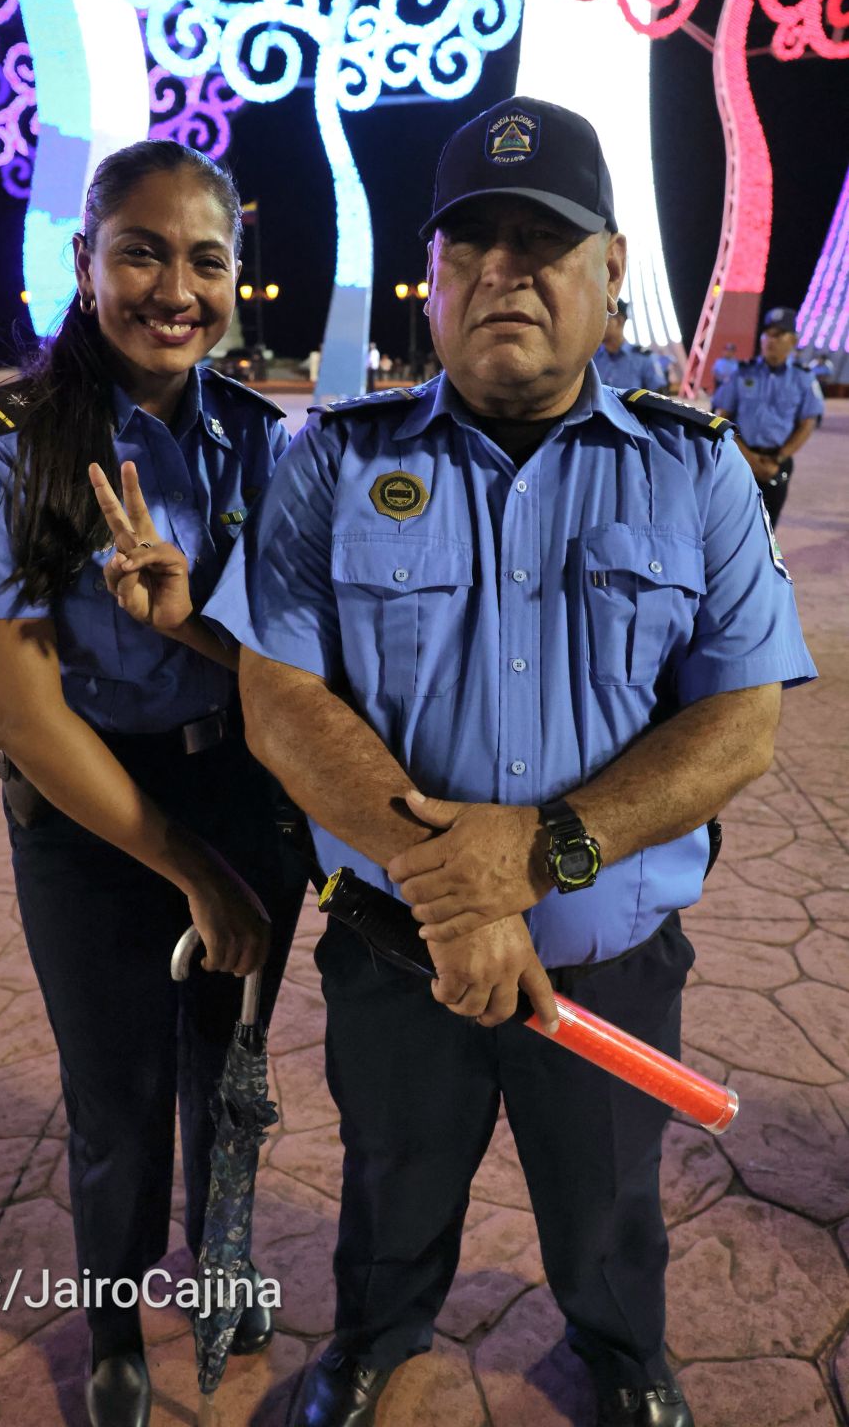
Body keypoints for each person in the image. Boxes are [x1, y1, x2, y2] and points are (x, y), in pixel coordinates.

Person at [202, 97, 816, 1427]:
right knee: (392, 1177)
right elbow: (278, 695)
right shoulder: (336, 461)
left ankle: (615, 1350)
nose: (500, 272)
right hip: (390, 953)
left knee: (605, 1201)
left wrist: (534, 856)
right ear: (433, 281)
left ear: (605, 276)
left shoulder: (692, 470)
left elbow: (740, 720)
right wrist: (458, 898)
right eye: (468, 243)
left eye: (541, 243)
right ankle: (374, 1337)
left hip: (606, 959)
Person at [0, 140, 307, 1427]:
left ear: (236, 277)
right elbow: (26, 718)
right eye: (140, 249)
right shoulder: (18, 443)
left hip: (245, 801)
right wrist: (197, 876)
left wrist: (242, 846)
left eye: (206, 258)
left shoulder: (264, 441)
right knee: (119, 1103)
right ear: (86, 263)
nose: (174, 286)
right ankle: (112, 1326)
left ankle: (222, 1263)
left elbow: (289, 662)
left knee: (226, 1071)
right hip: (91, 824)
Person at [714, 307, 824, 527]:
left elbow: (807, 423)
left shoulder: (803, 378)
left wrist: (779, 458)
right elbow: (721, 416)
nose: (770, 340)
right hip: (739, 459)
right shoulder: (742, 372)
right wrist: (749, 459)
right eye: (767, 334)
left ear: (792, 340)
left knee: (767, 527)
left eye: (778, 334)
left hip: (777, 462)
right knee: (729, 525)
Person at [592, 297, 666, 392]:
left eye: (601, 317)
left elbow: (659, 399)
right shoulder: (592, 359)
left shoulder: (643, 359)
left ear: (619, 321)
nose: (594, 324)